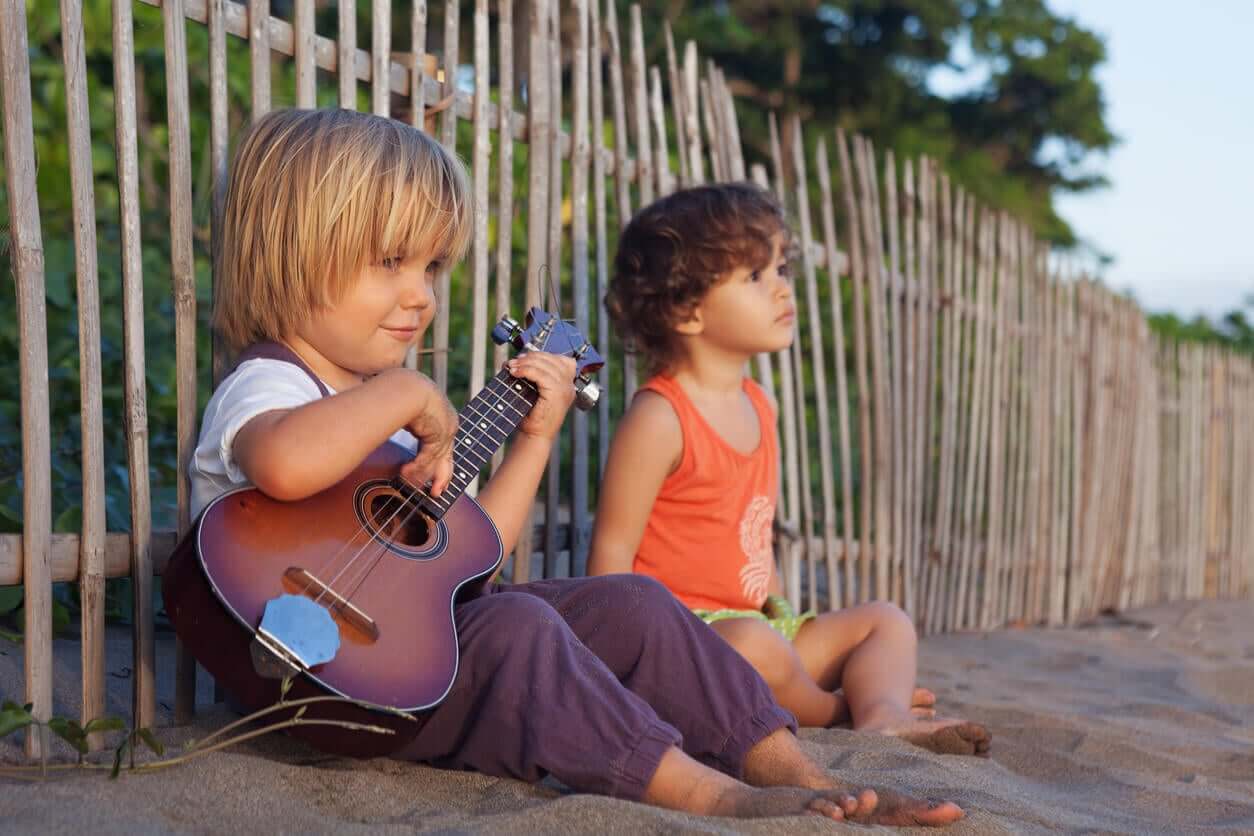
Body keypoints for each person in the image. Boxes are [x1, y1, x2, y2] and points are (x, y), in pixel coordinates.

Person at [189, 107, 965, 824]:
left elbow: (466, 553)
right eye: (392, 261)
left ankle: (797, 772)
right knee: (517, 626)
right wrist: (406, 392)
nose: (421, 297)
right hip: (320, 680)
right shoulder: (274, 383)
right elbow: (286, 465)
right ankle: (714, 795)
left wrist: (534, 436)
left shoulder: (381, 420)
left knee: (631, 602)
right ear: (291, 254)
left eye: (431, 268)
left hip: (407, 659)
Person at [589, 183, 990, 757]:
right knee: (755, 649)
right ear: (686, 309)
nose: (782, 288)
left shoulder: (760, 405)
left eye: (780, 267)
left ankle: (882, 715)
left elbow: (752, 532)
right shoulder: (660, 418)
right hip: (686, 643)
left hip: (759, 626)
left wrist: (784, 613)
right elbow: (609, 562)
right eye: (755, 276)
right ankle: (839, 709)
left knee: (886, 620)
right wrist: (618, 670)